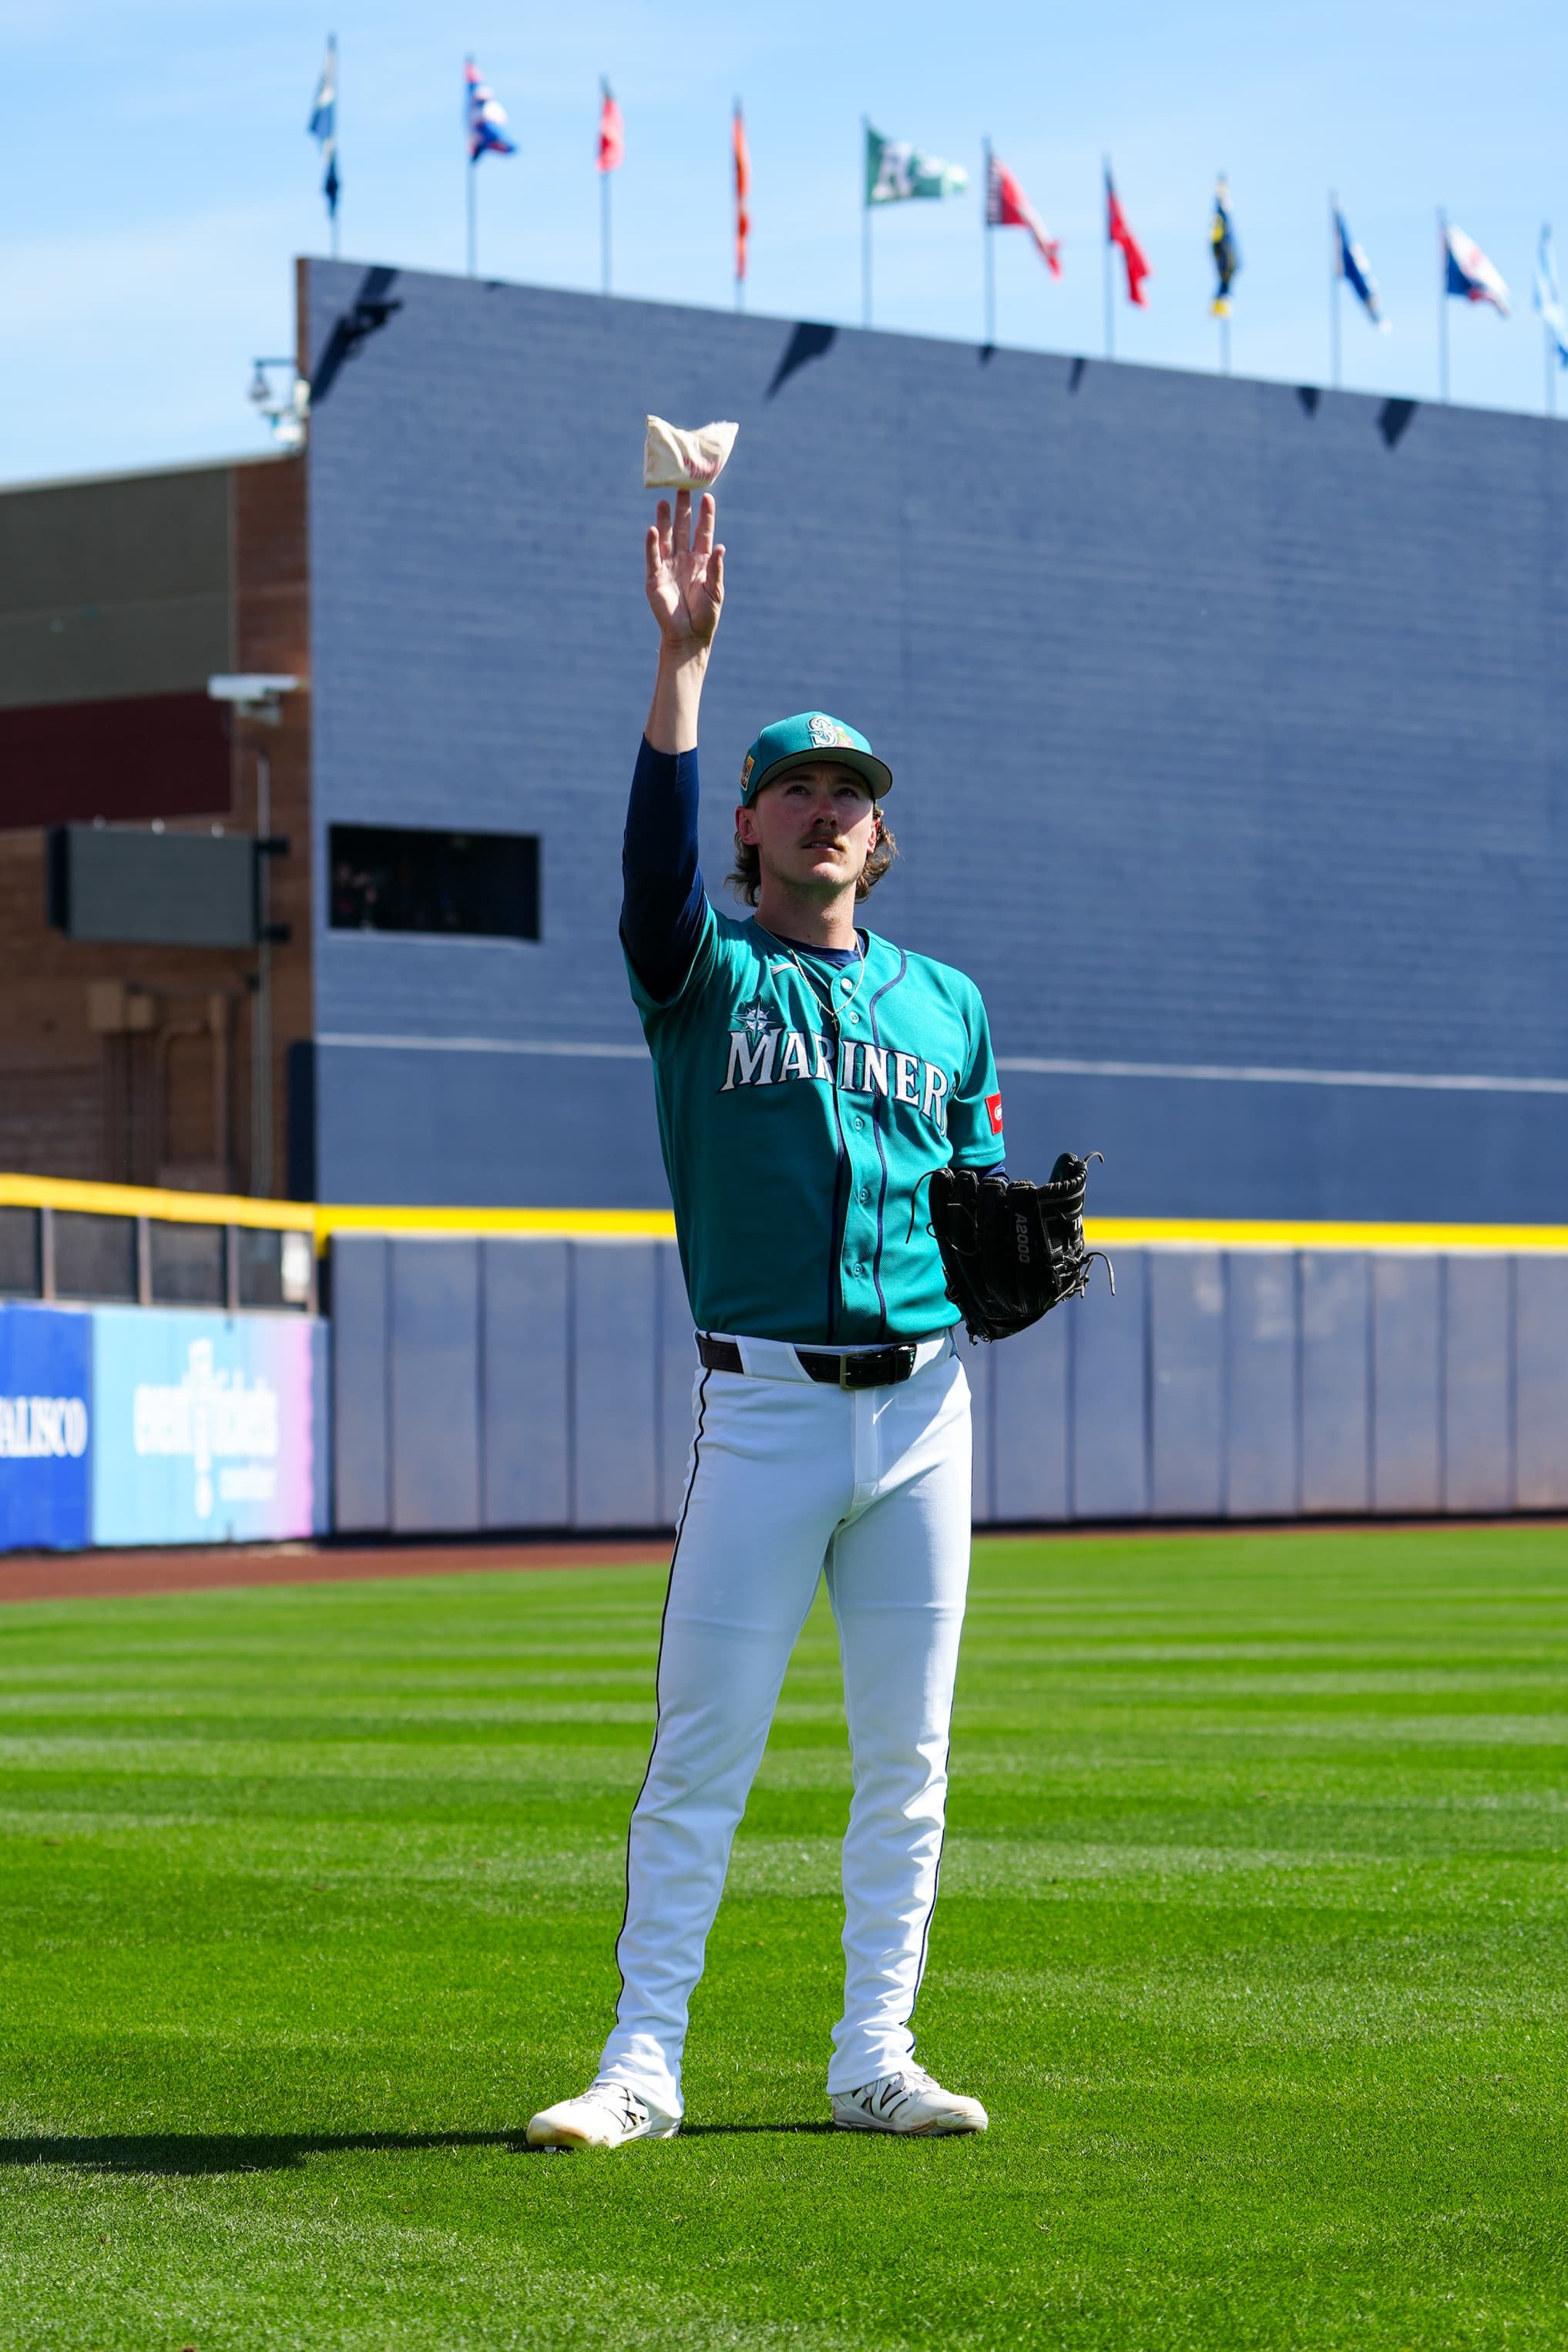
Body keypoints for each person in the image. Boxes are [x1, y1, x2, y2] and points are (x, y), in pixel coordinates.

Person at [527, 489, 1006, 2150]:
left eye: (849, 794)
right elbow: (650, 878)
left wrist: (1008, 1240)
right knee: (704, 1753)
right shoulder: (703, 976)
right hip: (769, 1407)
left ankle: (875, 2049)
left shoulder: (946, 1003)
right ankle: (640, 2060)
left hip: (926, 1407)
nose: (824, 808)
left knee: (910, 1756)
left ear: (880, 839)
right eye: (795, 787)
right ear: (749, 827)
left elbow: (981, 1186)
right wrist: (683, 667)